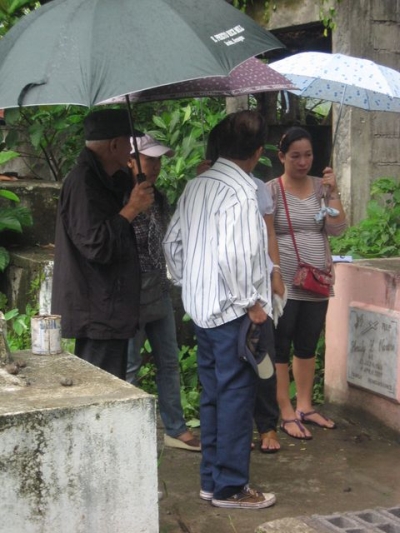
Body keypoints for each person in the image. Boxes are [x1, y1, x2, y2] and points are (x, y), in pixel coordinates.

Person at [163, 110, 276, 510]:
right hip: (233, 313)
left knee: (213, 396)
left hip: (203, 310)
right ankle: (230, 488)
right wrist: (253, 304)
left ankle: (212, 481)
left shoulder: (197, 185)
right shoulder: (242, 191)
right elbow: (236, 255)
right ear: (258, 152)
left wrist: (190, 281)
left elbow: (172, 244)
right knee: (235, 398)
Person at [197, 122, 285, 454]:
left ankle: (265, 426)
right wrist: (250, 303)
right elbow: (225, 253)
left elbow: (267, 234)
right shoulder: (211, 189)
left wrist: (275, 272)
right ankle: (233, 446)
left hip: (245, 297)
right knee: (231, 380)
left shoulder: (256, 189)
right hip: (232, 305)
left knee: (259, 363)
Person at [51, 109, 154, 380]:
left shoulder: (107, 178)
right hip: (96, 309)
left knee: (109, 383)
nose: (131, 150)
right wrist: (131, 208)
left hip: (110, 306)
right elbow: (96, 245)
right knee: (99, 388)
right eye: (128, 142)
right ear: (114, 145)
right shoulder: (83, 182)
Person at [267, 126, 347, 440]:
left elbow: (338, 229)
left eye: (308, 155)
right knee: (280, 345)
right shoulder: (271, 190)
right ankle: (284, 409)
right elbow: (265, 234)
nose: (303, 162)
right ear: (282, 156)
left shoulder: (320, 187)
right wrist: (274, 275)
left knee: (307, 343)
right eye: (296, 156)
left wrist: (334, 192)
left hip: (317, 280)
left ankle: (305, 406)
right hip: (284, 282)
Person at [126, 133, 200, 452]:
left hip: (158, 287)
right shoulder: (120, 195)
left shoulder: (159, 197)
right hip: (130, 293)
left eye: (158, 160)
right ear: (130, 161)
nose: (155, 166)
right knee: (130, 367)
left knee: (169, 361)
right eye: (149, 159)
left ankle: (175, 428)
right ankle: (129, 435)